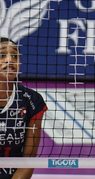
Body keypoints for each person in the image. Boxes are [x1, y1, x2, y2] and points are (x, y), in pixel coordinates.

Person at [0, 37, 47, 179]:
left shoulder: (32, 101)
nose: (10, 60)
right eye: (2, 55)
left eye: (15, 56)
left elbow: (28, 159)